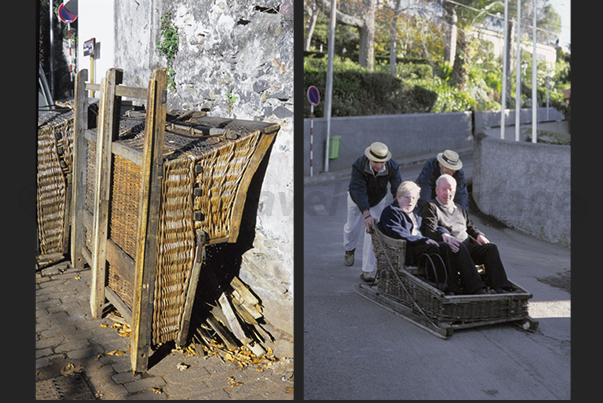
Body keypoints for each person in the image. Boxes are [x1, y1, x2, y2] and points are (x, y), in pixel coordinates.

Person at [378, 181, 484, 295]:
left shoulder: (417, 212)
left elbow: (431, 226)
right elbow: (397, 232)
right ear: (398, 198)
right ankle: (445, 286)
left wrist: (444, 233)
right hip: (408, 249)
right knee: (436, 248)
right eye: (407, 197)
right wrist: (422, 240)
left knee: (450, 246)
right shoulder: (391, 212)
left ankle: (461, 287)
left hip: (424, 245)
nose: (410, 201)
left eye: (414, 198)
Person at [421, 174, 513, 294]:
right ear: (437, 190)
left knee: (491, 248)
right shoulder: (431, 207)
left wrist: (479, 235)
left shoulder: (459, 208)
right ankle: (477, 288)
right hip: (451, 249)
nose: (447, 193)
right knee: (460, 247)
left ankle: (500, 287)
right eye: (444, 189)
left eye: (451, 190)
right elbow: (430, 231)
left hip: (467, 247)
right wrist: (444, 238)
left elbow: (470, 227)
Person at [344, 142, 402, 282]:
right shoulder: (359, 165)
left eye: (383, 162)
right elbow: (358, 190)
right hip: (356, 198)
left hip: (377, 200)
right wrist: (366, 214)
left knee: (373, 231)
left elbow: (397, 187)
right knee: (352, 228)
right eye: (376, 162)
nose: (380, 166)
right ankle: (349, 249)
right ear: (369, 158)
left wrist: (400, 205)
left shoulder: (392, 166)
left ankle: (368, 270)